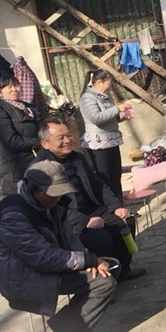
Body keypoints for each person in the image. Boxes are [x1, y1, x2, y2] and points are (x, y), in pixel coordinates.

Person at [0, 160, 118, 332]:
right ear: (35, 190)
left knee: (111, 267)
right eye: (53, 193)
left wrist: (88, 260)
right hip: (26, 278)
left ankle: (65, 331)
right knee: (104, 283)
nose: (58, 197)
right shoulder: (13, 213)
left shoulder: (54, 205)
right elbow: (42, 257)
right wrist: (89, 260)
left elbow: (71, 239)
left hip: (52, 266)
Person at [32, 116, 145, 281]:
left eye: (68, 135)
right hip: (67, 221)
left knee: (125, 222)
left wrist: (115, 206)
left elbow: (98, 184)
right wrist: (84, 222)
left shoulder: (77, 157)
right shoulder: (40, 170)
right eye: (61, 138)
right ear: (45, 144)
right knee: (101, 238)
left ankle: (123, 269)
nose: (67, 140)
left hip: (91, 208)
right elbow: (53, 208)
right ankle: (104, 279)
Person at [79, 69, 133, 200]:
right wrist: (117, 108)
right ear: (98, 82)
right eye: (108, 84)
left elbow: (111, 116)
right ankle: (110, 207)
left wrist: (122, 116)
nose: (110, 87)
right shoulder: (87, 98)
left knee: (116, 175)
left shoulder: (105, 97)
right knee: (105, 178)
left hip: (112, 141)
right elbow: (96, 118)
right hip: (99, 144)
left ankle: (119, 205)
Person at [0, 75, 40, 196]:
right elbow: (11, 140)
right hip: (13, 165)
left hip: (34, 160)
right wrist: (38, 143)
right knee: (15, 199)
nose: (14, 89)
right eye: (8, 87)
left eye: (16, 85)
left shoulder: (28, 107)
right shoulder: (0, 110)